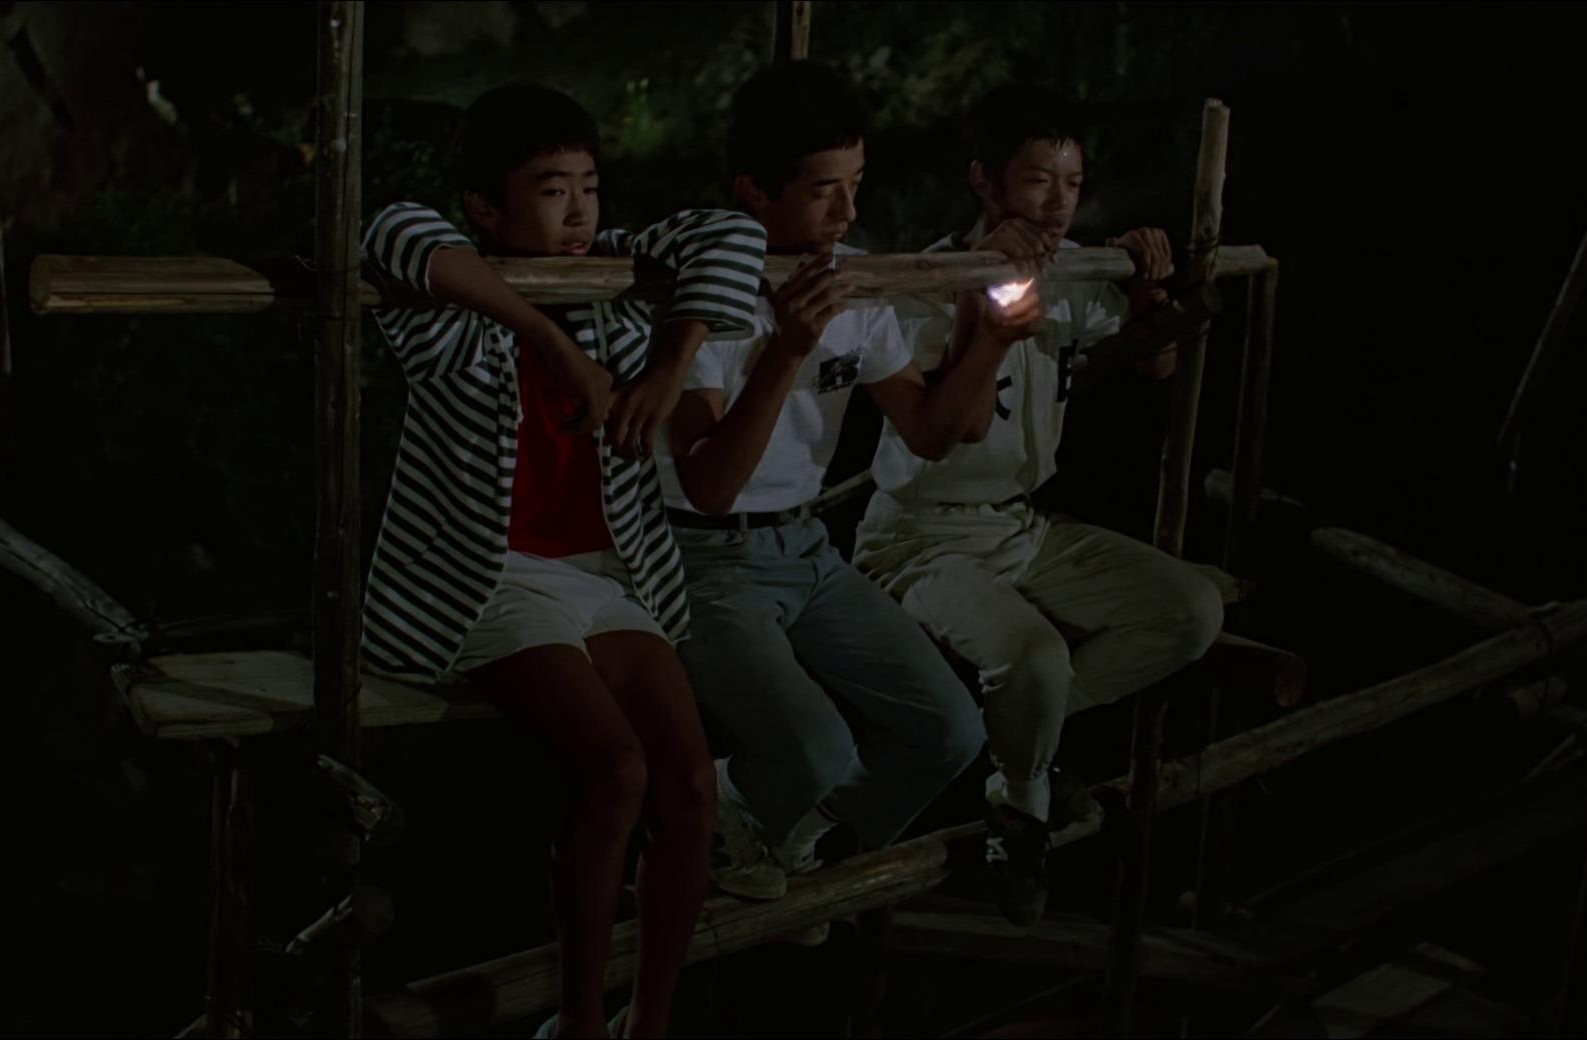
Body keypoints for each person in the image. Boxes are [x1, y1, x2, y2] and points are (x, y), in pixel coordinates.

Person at [361, 82, 766, 1038]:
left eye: (588, 186)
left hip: (606, 573)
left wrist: (669, 363)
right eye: (551, 191)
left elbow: (731, 234)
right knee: (614, 769)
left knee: (690, 785)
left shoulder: (615, 288)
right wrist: (547, 337)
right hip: (491, 577)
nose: (580, 211)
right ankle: (580, 1021)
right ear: (487, 208)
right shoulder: (448, 315)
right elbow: (391, 228)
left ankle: (648, 1023)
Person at [852, 82, 1226, 927]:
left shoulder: (1074, 270)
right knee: (1035, 657)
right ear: (984, 180)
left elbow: (1158, 364)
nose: (1058, 204)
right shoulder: (925, 284)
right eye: (1036, 180)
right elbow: (941, 432)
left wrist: (1142, 278)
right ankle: (1020, 810)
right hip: (921, 534)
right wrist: (980, 305)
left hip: (1021, 523)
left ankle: (1027, 739)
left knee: (1189, 610)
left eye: (1073, 183)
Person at [656, 62, 1017, 922]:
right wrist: (785, 351)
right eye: (824, 191)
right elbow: (709, 484)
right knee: (818, 746)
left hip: (808, 546)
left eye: (856, 184)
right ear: (754, 189)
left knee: (952, 729)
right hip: (701, 554)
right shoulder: (701, 292)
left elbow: (928, 431)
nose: (848, 212)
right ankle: (733, 807)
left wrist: (995, 338)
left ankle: (792, 832)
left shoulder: (852, 283)